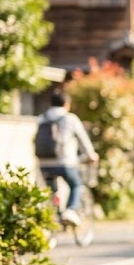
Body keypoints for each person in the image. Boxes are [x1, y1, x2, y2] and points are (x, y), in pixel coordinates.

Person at [36, 89, 98, 226]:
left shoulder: (41, 118)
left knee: (51, 192)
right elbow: (83, 141)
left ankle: (53, 218)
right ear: (66, 104)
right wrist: (91, 155)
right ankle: (70, 211)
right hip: (64, 162)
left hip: (44, 163)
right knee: (76, 184)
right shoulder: (70, 118)